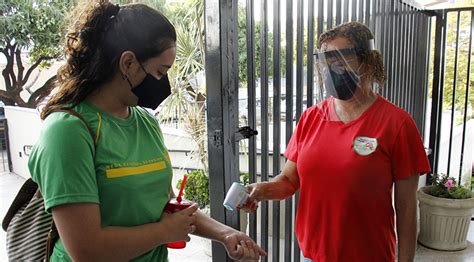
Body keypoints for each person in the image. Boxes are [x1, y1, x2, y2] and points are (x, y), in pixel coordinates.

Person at [28, 1, 266, 261]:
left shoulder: (145, 122)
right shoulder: (67, 132)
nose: (164, 84)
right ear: (128, 63)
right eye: (160, 71)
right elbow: (86, 250)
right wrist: (163, 231)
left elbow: (169, 206)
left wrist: (226, 234)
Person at [240, 22, 430, 262]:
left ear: (368, 62)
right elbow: (289, 180)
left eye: (341, 61)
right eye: (326, 62)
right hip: (312, 256)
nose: (332, 70)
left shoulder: (397, 124)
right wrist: (259, 191)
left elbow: (406, 208)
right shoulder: (310, 118)